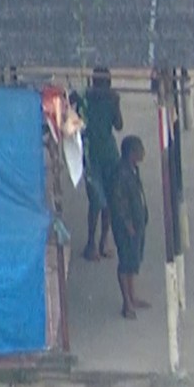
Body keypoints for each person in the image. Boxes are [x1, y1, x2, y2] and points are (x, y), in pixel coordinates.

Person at [76, 67, 124, 261]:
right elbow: (119, 125)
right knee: (106, 201)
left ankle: (93, 243)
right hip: (107, 154)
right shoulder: (111, 99)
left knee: (96, 201)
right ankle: (100, 242)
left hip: (92, 154)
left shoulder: (85, 97)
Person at [109, 136, 150, 319]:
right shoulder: (121, 174)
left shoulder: (133, 170)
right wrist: (128, 224)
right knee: (125, 263)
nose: (143, 152)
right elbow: (118, 203)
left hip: (138, 223)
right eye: (139, 149)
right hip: (127, 227)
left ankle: (132, 296)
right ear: (131, 153)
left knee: (133, 260)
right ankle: (126, 302)